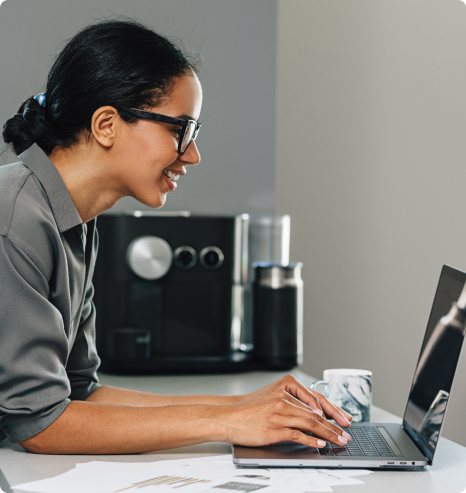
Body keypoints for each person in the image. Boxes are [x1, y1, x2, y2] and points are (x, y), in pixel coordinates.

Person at [0, 19, 352, 455]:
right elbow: (41, 424)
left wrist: (246, 405)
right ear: (106, 124)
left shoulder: (74, 219)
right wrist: (227, 421)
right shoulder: (15, 216)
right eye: (181, 130)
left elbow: (80, 394)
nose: (194, 154)